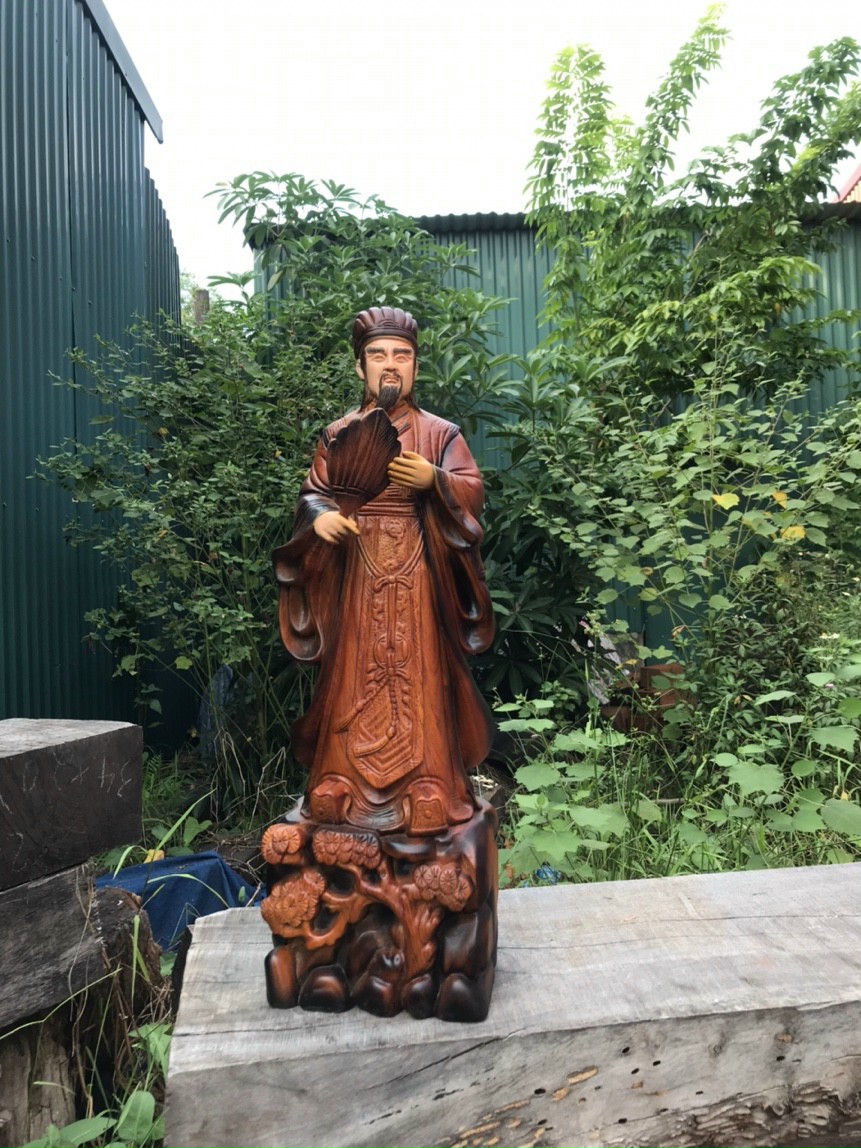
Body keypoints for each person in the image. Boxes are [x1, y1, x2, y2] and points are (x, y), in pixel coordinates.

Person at [273, 305, 494, 837]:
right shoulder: (338, 434)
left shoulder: (440, 434)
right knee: (354, 673)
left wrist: (435, 480)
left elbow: (471, 491)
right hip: (356, 574)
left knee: (420, 675)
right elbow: (314, 494)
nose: (390, 365)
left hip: (420, 575)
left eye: (402, 355)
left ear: (415, 366)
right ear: (360, 367)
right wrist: (321, 518)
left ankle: (430, 784)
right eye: (378, 355)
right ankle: (340, 782)